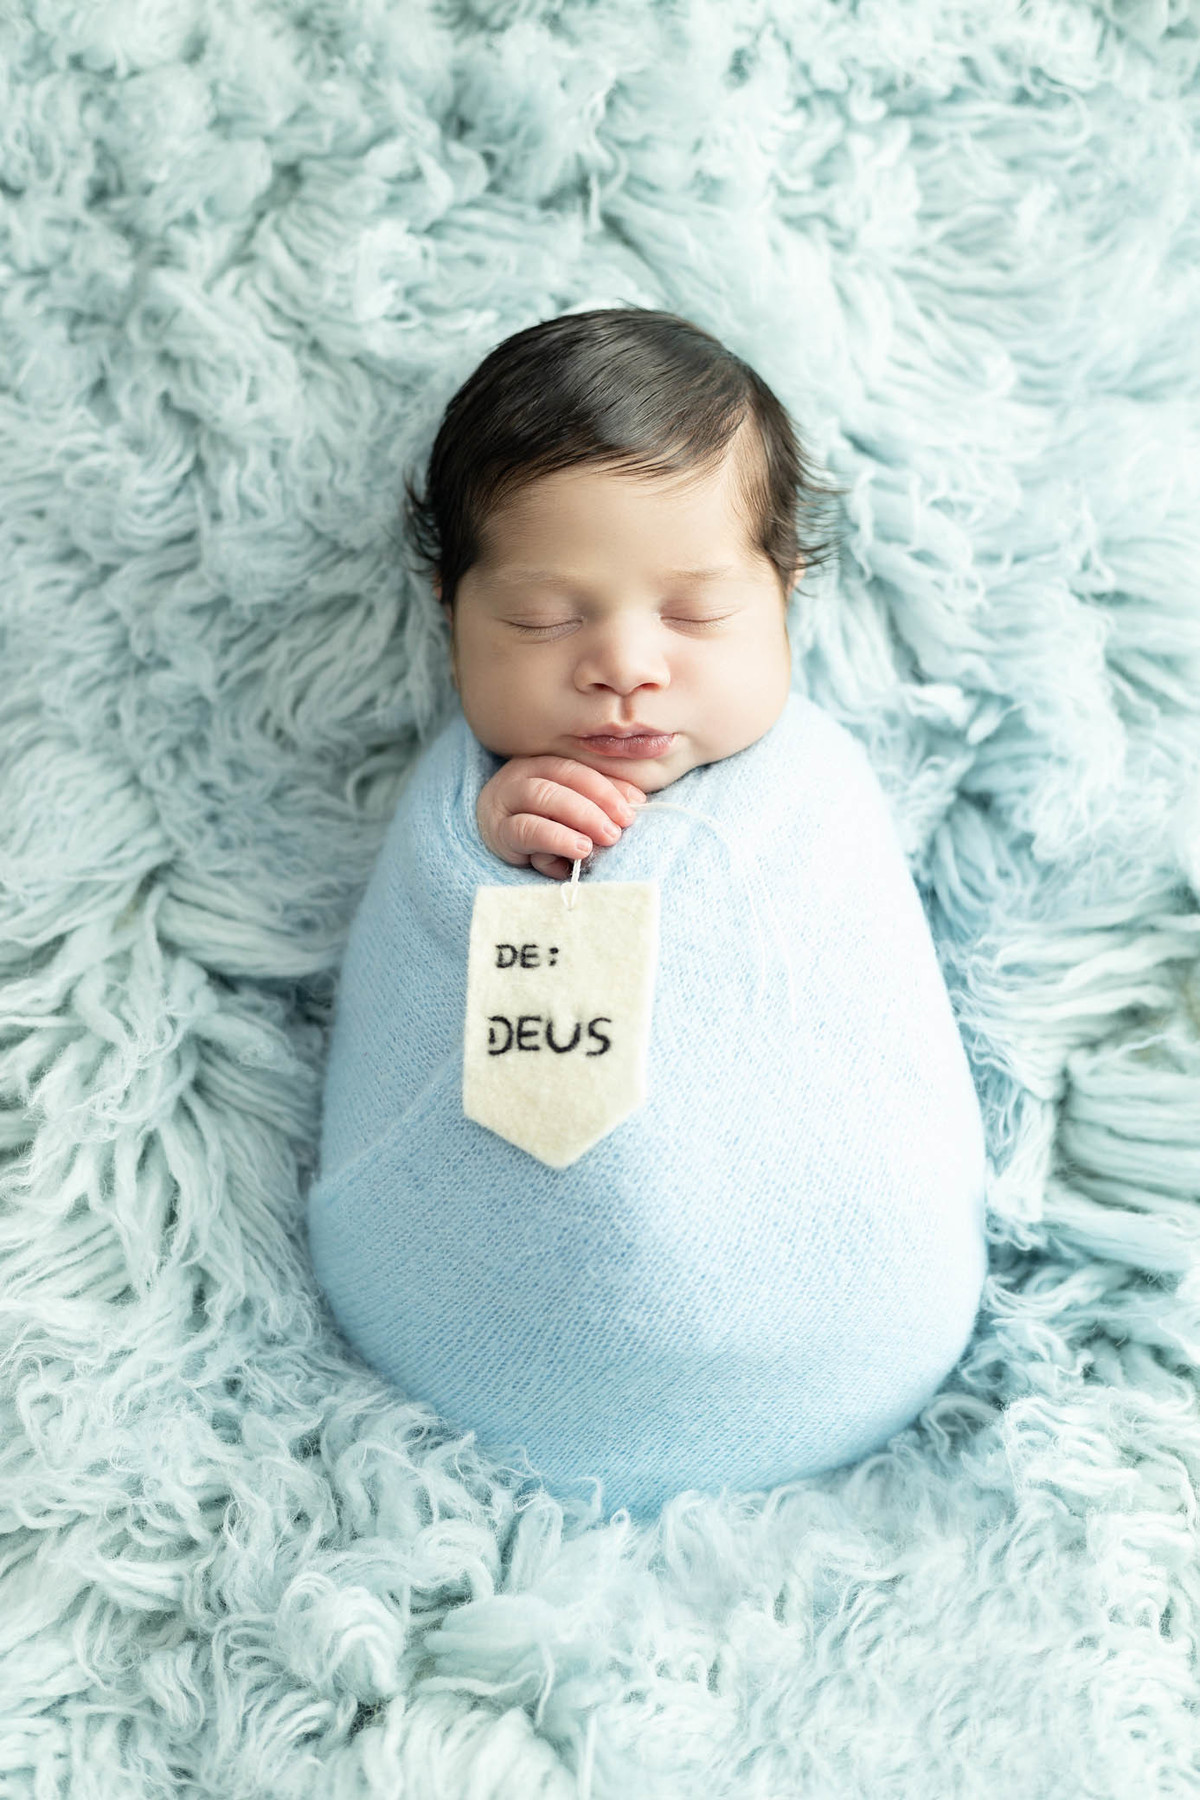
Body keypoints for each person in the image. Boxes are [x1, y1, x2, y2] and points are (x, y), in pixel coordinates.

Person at [402, 304, 845, 879]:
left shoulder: (819, 780)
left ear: (784, 594)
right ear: (452, 619)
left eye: (697, 613)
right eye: (542, 619)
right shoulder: (457, 800)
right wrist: (480, 840)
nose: (626, 670)